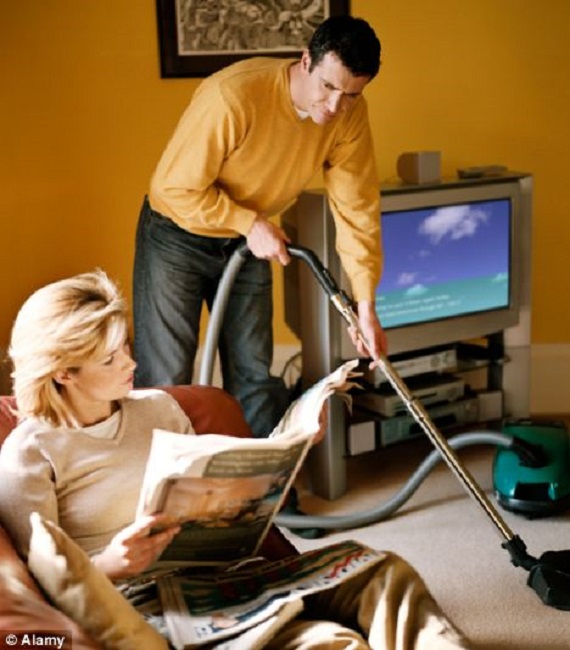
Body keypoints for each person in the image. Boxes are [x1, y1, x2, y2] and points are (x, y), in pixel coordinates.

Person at [0, 271, 471, 649]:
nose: (130, 363)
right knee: (332, 641)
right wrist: (112, 564)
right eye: (109, 359)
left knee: (382, 571)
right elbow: (40, 586)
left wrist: (287, 455)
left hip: (225, 580)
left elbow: (222, 503)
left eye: (125, 346)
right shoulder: (30, 454)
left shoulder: (158, 409)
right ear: (63, 372)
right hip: (147, 606)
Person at [133, 14, 388, 438]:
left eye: (350, 95)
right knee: (166, 378)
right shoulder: (233, 96)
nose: (334, 107)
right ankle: (162, 495)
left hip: (248, 241)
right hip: (176, 235)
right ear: (306, 60)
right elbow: (172, 188)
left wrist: (365, 305)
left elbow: (356, 209)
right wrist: (247, 221)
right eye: (327, 87)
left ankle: (260, 494)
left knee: (253, 373)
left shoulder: (348, 116)